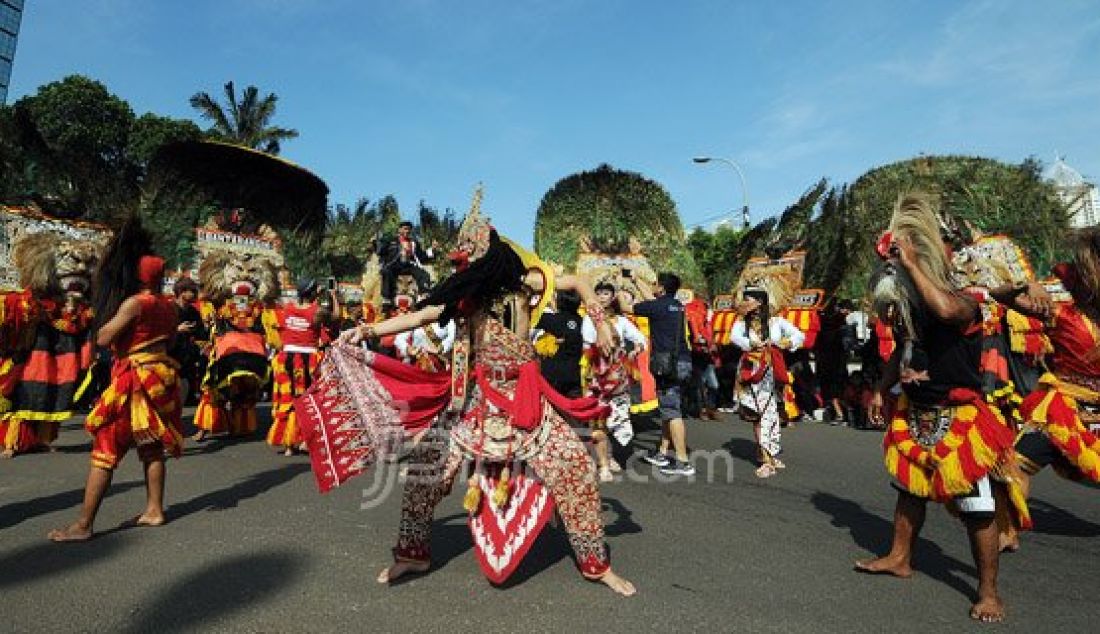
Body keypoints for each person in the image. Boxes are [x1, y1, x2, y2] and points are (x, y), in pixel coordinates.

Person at [298, 196, 635, 596]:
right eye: (461, 258)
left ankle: (595, 564)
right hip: (473, 400)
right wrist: (368, 332)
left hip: (525, 398)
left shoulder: (523, 282)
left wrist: (602, 321)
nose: (464, 263)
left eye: (471, 254)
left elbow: (578, 282)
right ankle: (412, 552)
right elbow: (422, 314)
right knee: (425, 474)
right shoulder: (462, 296)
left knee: (575, 467)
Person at [855, 193, 1020, 623]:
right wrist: (880, 390)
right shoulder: (912, 305)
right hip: (916, 412)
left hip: (960, 415)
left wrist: (910, 263)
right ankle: (899, 557)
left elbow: (947, 310)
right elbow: (900, 351)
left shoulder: (965, 296)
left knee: (976, 509)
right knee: (909, 493)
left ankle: (988, 592)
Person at [48, 219, 181, 541]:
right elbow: (172, 341)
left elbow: (106, 337)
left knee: (105, 450)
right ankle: (154, 510)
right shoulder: (170, 306)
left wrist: (104, 323)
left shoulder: (135, 303)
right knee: (151, 449)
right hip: (159, 379)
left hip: (133, 382)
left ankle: (83, 525)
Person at [730, 288, 805, 478]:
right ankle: (766, 456)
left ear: (760, 303)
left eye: (749, 300)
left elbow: (799, 336)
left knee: (770, 412)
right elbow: (734, 338)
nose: (745, 303)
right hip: (749, 371)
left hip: (771, 371)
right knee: (757, 414)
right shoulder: (742, 323)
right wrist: (752, 344)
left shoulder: (776, 322)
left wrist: (784, 344)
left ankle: (768, 454)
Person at [583, 281, 646, 482]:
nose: (602, 297)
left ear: (612, 297)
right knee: (598, 418)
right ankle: (603, 462)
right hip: (596, 375)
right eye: (599, 293)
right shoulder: (588, 320)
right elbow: (588, 341)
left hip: (618, 377)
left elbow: (641, 339)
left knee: (617, 419)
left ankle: (607, 456)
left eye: (606, 293)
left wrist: (635, 349)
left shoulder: (621, 321)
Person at [633, 272, 695, 477]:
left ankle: (683, 461)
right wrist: (636, 279)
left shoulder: (658, 306)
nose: (652, 287)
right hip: (682, 361)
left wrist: (628, 289)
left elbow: (629, 308)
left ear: (660, 288)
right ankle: (662, 451)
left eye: (655, 284)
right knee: (668, 408)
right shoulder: (676, 305)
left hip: (668, 363)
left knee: (672, 410)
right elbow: (654, 302)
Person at [266, 278, 336, 456]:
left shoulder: (287, 308)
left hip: (286, 359)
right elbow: (335, 317)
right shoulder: (317, 311)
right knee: (307, 400)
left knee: (288, 399)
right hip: (309, 360)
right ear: (313, 292)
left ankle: (289, 445)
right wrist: (332, 295)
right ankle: (305, 440)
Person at [534, 290, 585, 398]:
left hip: (552, 375)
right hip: (575, 376)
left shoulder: (550, 319)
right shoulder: (583, 322)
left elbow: (531, 315)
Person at [378, 221, 436, 305]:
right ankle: (387, 298)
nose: (407, 231)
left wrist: (432, 250)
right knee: (387, 271)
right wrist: (376, 244)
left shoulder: (414, 243)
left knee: (424, 274)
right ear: (399, 230)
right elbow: (381, 251)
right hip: (395, 264)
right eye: (405, 229)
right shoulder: (391, 241)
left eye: (409, 229)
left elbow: (421, 256)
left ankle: (423, 295)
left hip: (409, 265)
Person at [169, 277, 206, 407]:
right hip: (171, 354)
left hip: (187, 355)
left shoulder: (193, 312)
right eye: (191, 291)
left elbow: (201, 333)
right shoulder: (169, 309)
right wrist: (177, 329)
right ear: (181, 292)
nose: (195, 294)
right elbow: (159, 331)